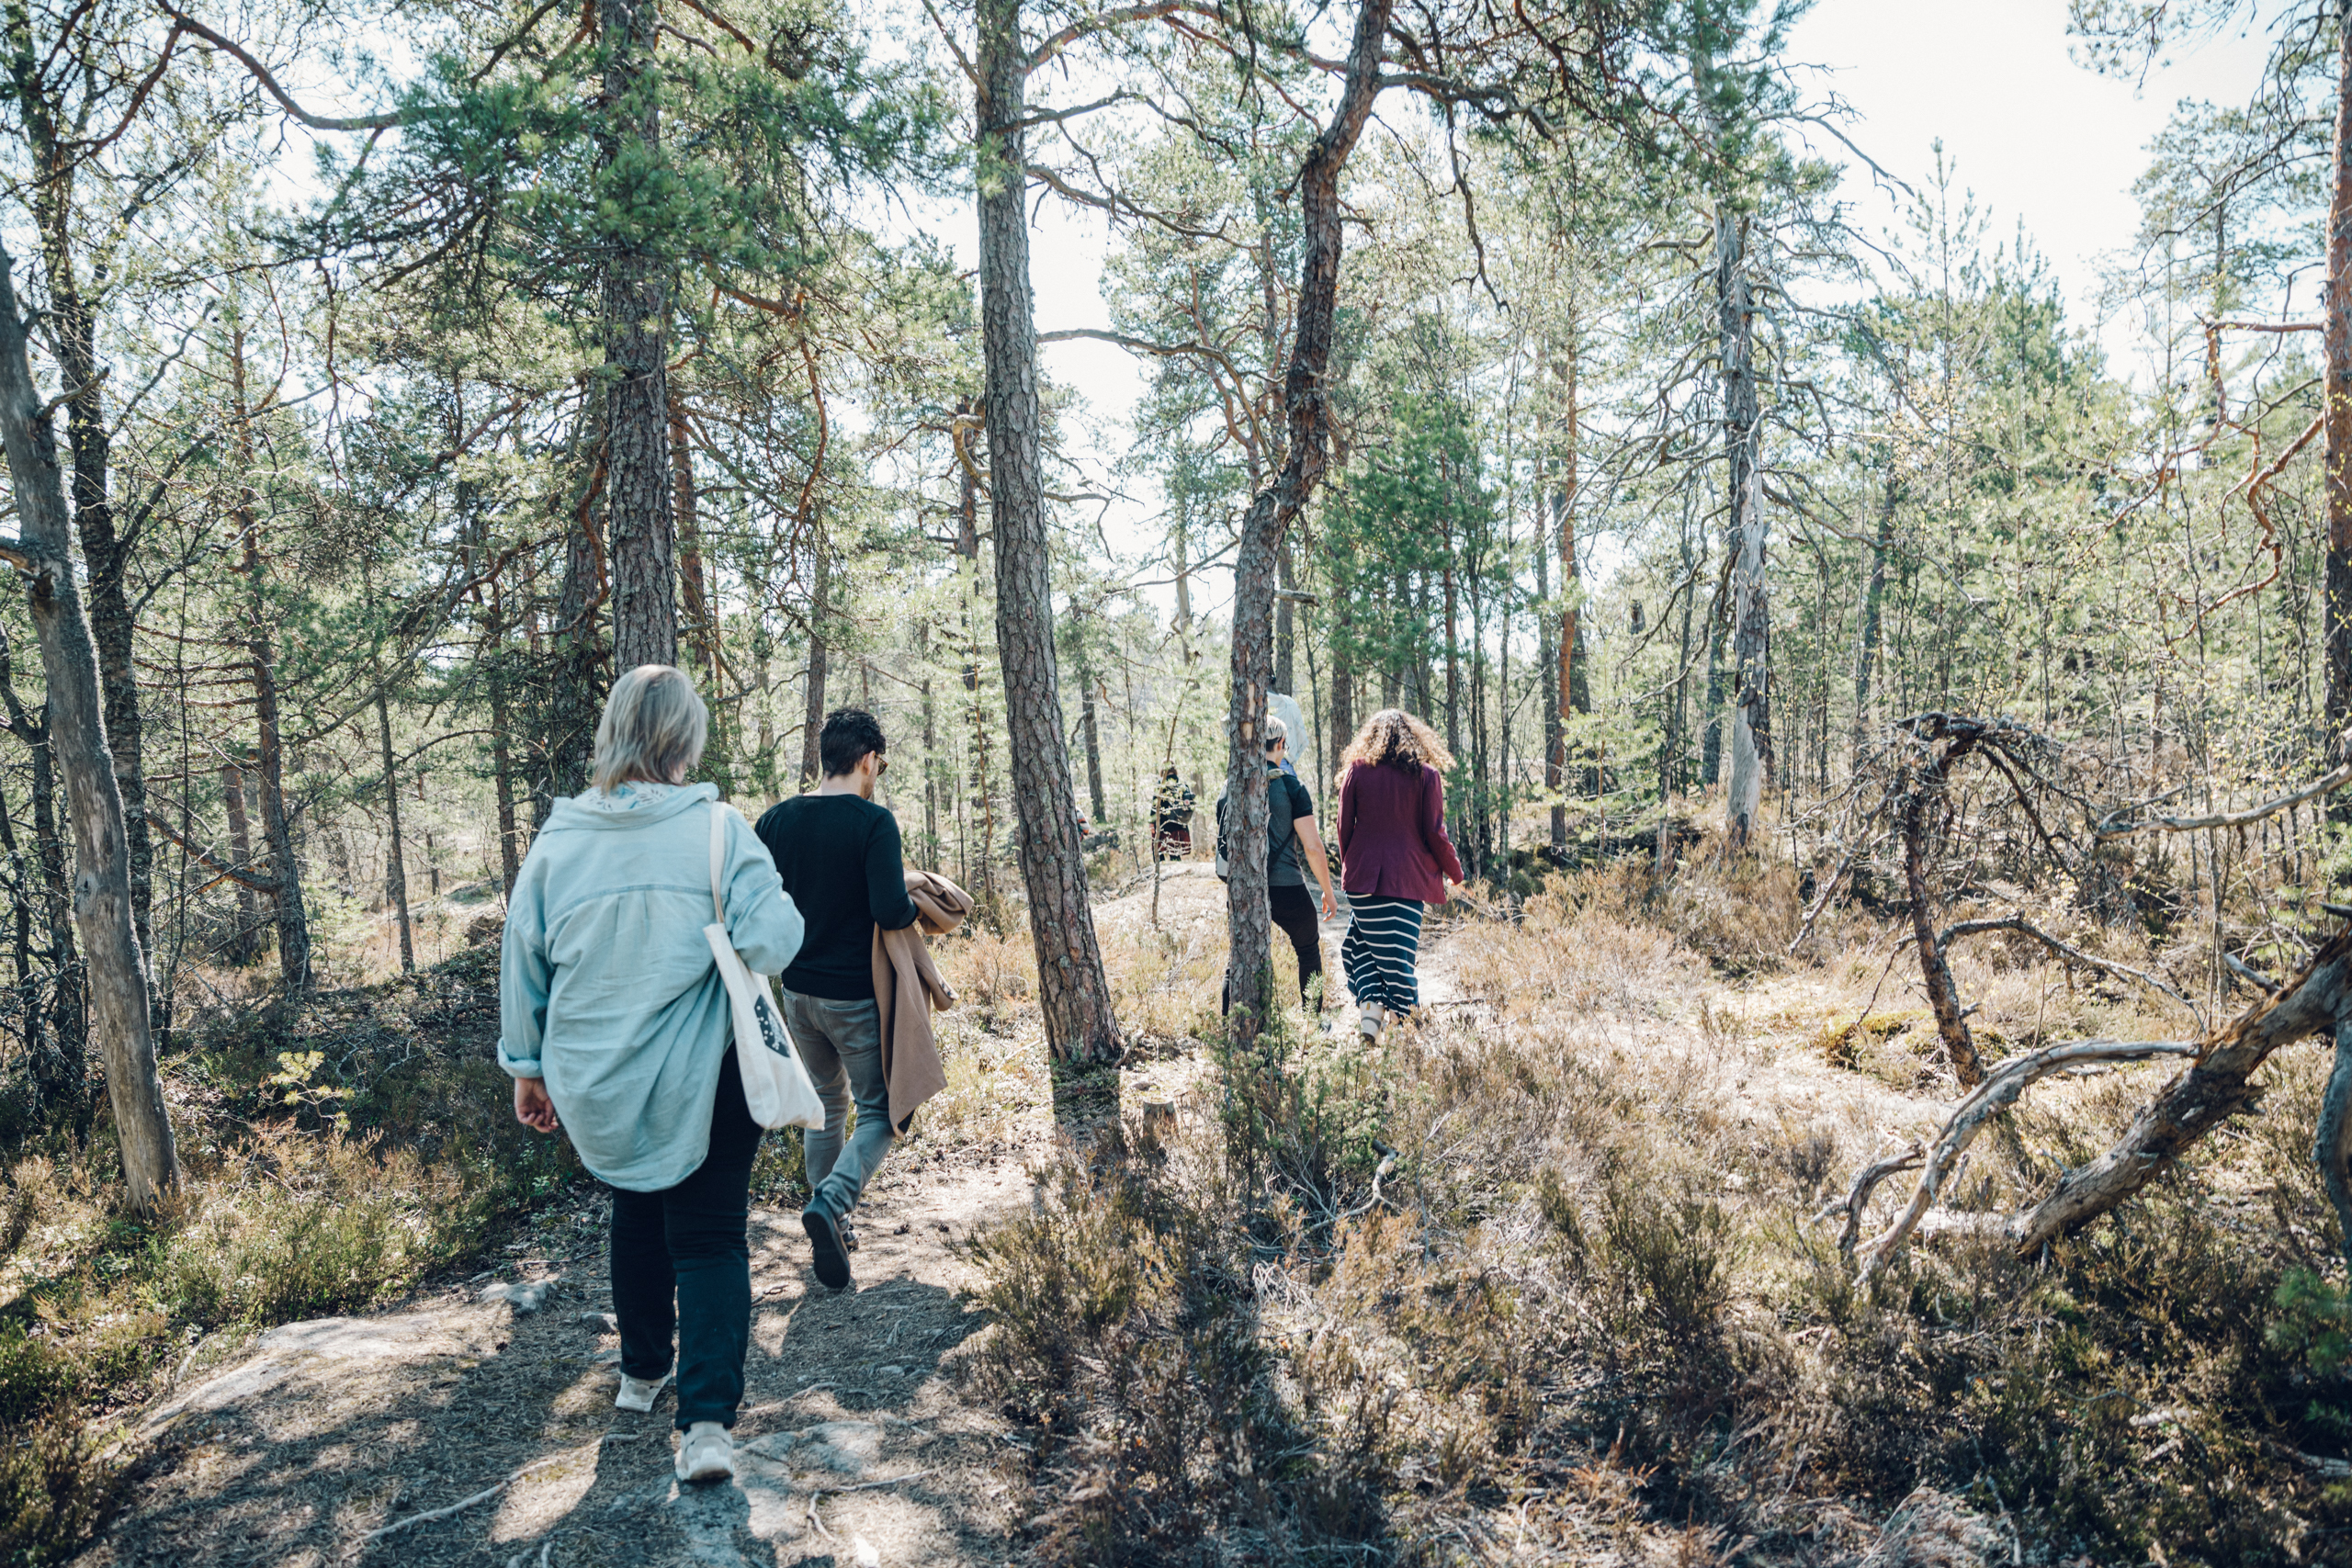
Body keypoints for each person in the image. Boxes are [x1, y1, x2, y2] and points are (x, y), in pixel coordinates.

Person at [500, 665, 805, 1487]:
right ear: (685, 740)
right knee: (707, 1236)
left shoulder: (556, 845)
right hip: (708, 1070)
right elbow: (774, 941)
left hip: (596, 1079)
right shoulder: (718, 830)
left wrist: (527, 1072)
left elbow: (522, 967)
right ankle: (705, 1427)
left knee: (635, 1210)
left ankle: (641, 1374)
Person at [754, 708, 921, 1295]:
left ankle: (830, 1218)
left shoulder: (775, 819)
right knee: (882, 1113)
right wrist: (917, 898)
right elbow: (890, 911)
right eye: (880, 764)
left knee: (827, 1104)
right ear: (868, 759)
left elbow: (757, 904)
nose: (879, 774)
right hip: (854, 997)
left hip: (796, 993)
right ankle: (832, 1202)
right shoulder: (874, 823)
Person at [1334, 708, 1464, 1040]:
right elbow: (1436, 833)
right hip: (1406, 884)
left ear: (1371, 737)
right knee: (1398, 966)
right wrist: (1455, 873)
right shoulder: (1426, 776)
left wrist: (1353, 866)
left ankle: (1372, 1020)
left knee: (1357, 950)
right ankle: (1411, 1041)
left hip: (1363, 883)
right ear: (1414, 738)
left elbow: (1343, 828)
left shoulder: (1357, 772)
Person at [1217, 716, 1338, 1011]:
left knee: (1239, 957)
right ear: (1280, 745)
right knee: (1309, 950)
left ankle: (1230, 1024)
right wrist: (1328, 891)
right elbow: (1312, 846)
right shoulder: (1292, 787)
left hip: (1243, 888)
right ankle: (1313, 1023)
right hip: (1286, 887)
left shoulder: (1229, 787)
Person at [1153, 767, 1196, 860]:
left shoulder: (1161, 784)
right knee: (1175, 855)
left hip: (1163, 825)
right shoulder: (1182, 783)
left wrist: (1152, 823)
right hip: (1179, 825)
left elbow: (1155, 804)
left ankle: (1160, 872)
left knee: (1159, 854)